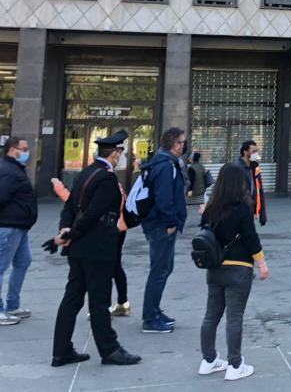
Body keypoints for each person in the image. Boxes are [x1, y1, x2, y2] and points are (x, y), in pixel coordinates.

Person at [51, 131, 140, 366]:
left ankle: (61, 350)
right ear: (115, 154)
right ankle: (110, 350)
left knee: (72, 299)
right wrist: (72, 232)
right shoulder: (107, 179)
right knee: (99, 301)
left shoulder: (85, 173)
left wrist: (66, 230)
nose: (122, 157)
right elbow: (93, 213)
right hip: (98, 246)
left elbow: (69, 207)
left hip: (78, 248)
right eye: (121, 152)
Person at [198, 163, 269, 381]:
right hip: (239, 268)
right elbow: (250, 238)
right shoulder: (242, 208)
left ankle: (208, 360)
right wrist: (262, 263)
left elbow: (204, 233)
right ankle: (235, 364)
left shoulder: (210, 208)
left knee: (211, 315)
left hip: (215, 267)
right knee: (235, 317)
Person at [140, 127, 187, 333]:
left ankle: (154, 310)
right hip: (161, 225)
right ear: (173, 144)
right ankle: (150, 318)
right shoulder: (166, 166)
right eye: (181, 142)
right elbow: (164, 198)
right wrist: (170, 223)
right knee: (159, 271)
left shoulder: (163, 163)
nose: (183, 146)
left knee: (164, 268)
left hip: (159, 223)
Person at [0, 136, 37, 326]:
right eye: (24, 149)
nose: (27, 152)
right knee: (1, 266)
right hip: (9, 226)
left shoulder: (15, 169)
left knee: (23, 261)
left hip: (19, 226)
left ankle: (13, 305)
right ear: (12, 150)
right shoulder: (9, 171)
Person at [238, 140, 268, 226]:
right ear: (245, 152)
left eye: (256, 151)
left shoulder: (255, 167)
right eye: (253, 151)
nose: (256, 154)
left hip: (250, 208)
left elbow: (259, 190)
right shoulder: (237, 167)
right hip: (239, 209)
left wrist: (263, 214)